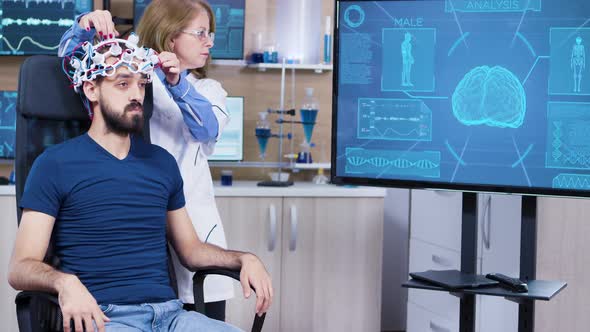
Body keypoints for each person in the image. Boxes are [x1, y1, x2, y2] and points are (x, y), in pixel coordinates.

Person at [8, 36, 272, 332]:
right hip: (104, 318)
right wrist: (64, 282)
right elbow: (20, 266)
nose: (137, 94)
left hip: (172, 317)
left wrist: (244, 259)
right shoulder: (54, 164)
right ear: (91, 89)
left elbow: (192, 250)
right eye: (123, 84)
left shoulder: (161, 163)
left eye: (142, 84)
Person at [58, 0, 235, 320]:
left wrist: (178, 83)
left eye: (210, 33)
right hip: (133, 240)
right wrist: (85, 24)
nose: (210, 42)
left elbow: (207, 127)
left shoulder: (207, 89)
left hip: (193, 233)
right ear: (170, 38)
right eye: (200, 33)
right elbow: (74, 63)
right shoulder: (130, 79)